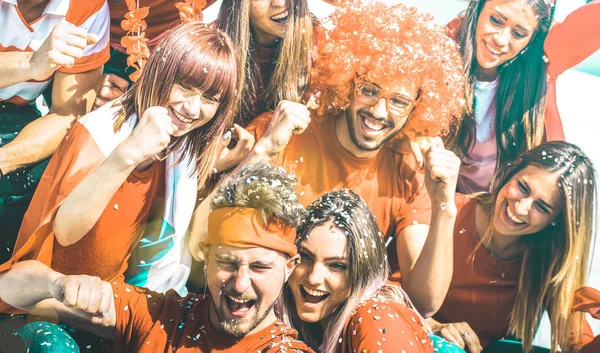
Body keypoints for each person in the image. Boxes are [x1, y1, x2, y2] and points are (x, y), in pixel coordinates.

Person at [215, 2, 466, 318]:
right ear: (347, 80)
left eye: (399, 101)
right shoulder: (282, 132)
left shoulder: (412, 171)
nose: (378, 111)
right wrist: (262, 151)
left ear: (418, 107)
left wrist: (445, 205)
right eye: (369, 90)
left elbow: (425, 302)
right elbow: (216, 244)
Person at [0, 21, 238, 308]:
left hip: (120, 302)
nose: (192, 107)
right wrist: (128, 154)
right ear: (160, 73)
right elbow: (65, 231)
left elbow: (192, 244)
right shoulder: (101, 132)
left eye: (209, 98)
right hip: (47, 303)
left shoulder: (184, 144)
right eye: (185, 87)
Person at [0, 162, 314, 353]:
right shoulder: (164, 317)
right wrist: (58, 283)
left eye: (260, 267)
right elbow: (10, 288)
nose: (240, 283)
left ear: (289, 268)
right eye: (228, 263)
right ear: (205, 256)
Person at [430, 141, 597, 353]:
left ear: (557, 220)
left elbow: (577, 343)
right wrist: (433, 326)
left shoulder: (548, 261)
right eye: (523, 188)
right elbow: (385, 288)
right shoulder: (448, 208)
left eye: (542, 207)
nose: (521, 208)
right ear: (511, 171)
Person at [445, 0, 600, 193]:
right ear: (478, 7)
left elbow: (592, 22)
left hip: (512, 209)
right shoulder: (441, 48)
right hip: (445, 205)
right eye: (496, 20)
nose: (500, 40)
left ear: (533, 38)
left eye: (518, 34)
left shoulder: (543, 60)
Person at [0, 0, 110, 263]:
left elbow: (67, 114)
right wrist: (30, 64)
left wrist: (3, 160)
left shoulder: (88, 7)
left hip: (20, 112)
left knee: (42, 182)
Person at [282, 189, 435, 353]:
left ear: (363, 273)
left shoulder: (378, 318)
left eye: (337, 266)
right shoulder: (285, 313)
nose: (314, 278)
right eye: (305, 257)